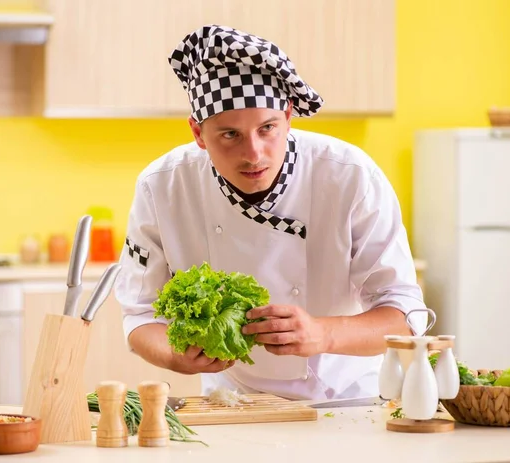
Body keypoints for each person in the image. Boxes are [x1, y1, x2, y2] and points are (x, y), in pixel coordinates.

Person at [114, 24, 426, 400]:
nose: (254, 153)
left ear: (289, 115)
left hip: (346, 398)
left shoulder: (350, 176)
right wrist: (174, 354)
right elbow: (140, 315)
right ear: (198, 132)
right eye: (230, 135)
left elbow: (405, 317)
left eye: (267, 128)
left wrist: (323, 333)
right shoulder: (163, 186)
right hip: (232, 401)